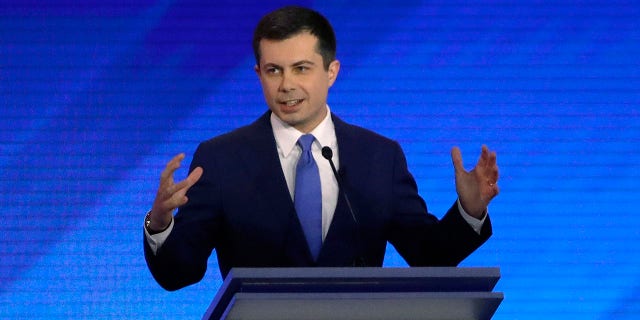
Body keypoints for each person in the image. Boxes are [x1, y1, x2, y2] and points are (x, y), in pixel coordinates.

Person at [143, 5, 499, 291]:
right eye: (273, 70)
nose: (287, 85)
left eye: (301, 68)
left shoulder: (379, 157)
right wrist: (160, 224)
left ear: (331, 71)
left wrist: (468, 209)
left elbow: (429, 256)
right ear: (258, 75)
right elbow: (179, 274)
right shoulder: (221, 159)